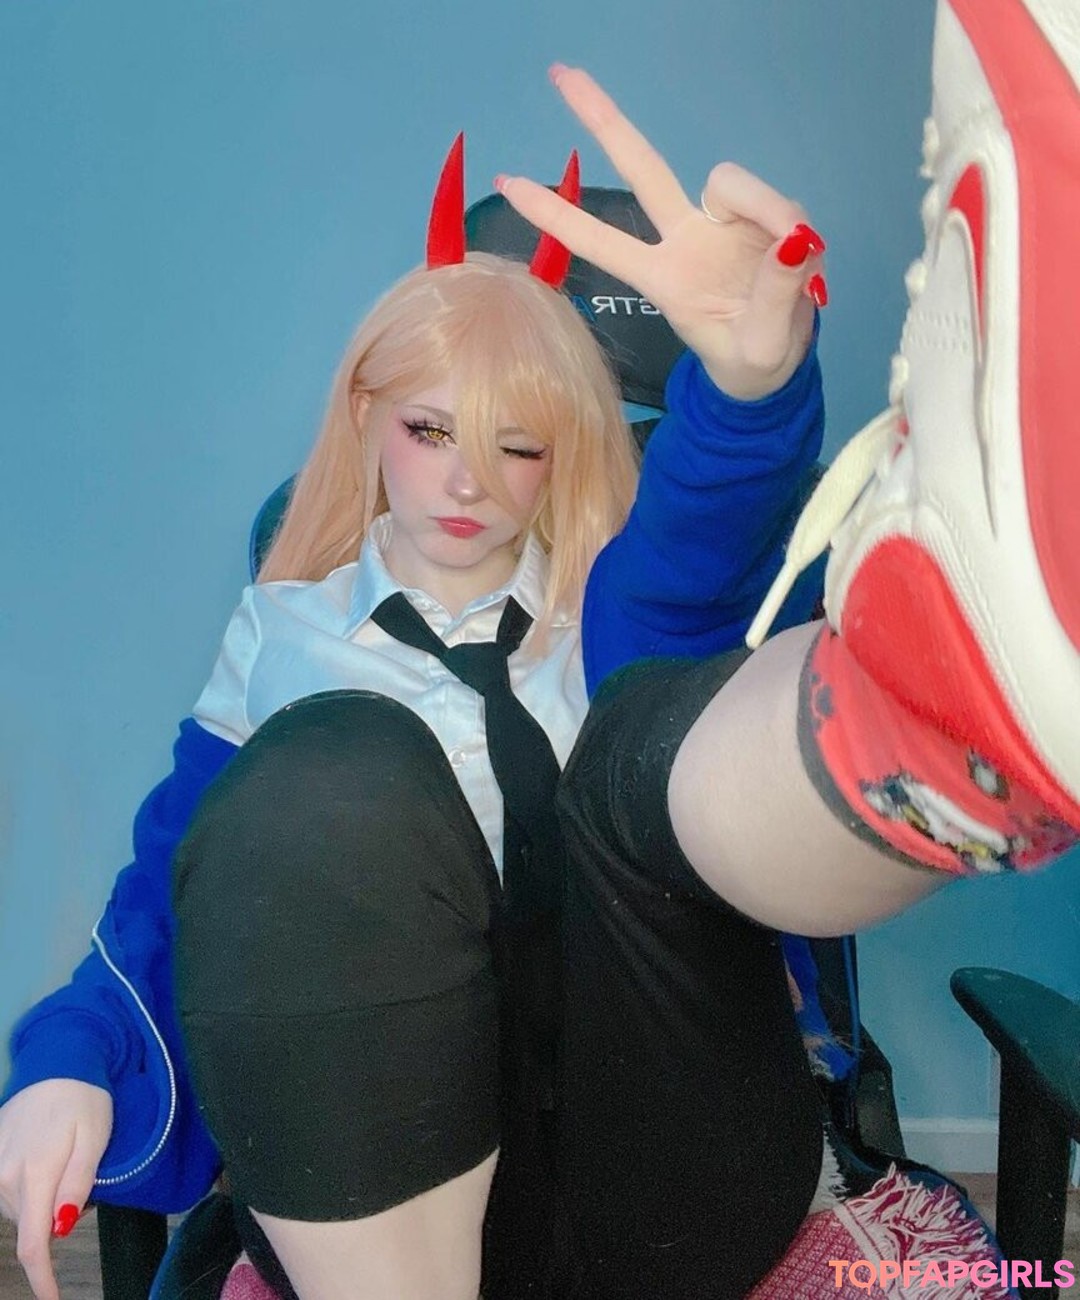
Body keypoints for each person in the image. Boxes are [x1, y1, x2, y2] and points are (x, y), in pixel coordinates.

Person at [0, 66, 830, 1300]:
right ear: (365, 415)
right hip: (381, 1167)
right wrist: (72, 1053)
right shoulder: (281, 630)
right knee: (332, 773)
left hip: (655, 1159)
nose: (466, 483)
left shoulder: (615, 608)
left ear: (565, 454)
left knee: (642, 747)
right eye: (430, 430)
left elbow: (699, 555)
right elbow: (173, 887)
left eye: (516, 443)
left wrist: (753, 393)